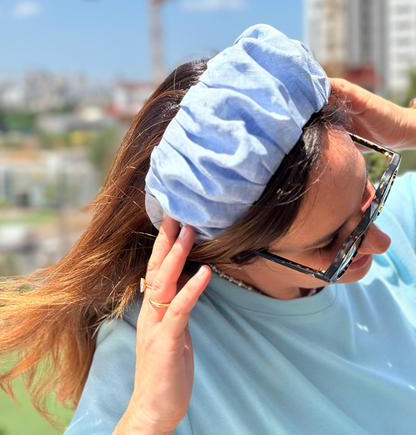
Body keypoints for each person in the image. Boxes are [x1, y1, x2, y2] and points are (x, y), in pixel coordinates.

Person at [1, 25, 416, 435]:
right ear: (233, 252)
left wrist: (409, 126)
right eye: (329, 243)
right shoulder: (157, 353)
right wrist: (148, 420)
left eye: (369, 190)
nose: (381, 242)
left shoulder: (403, 219)